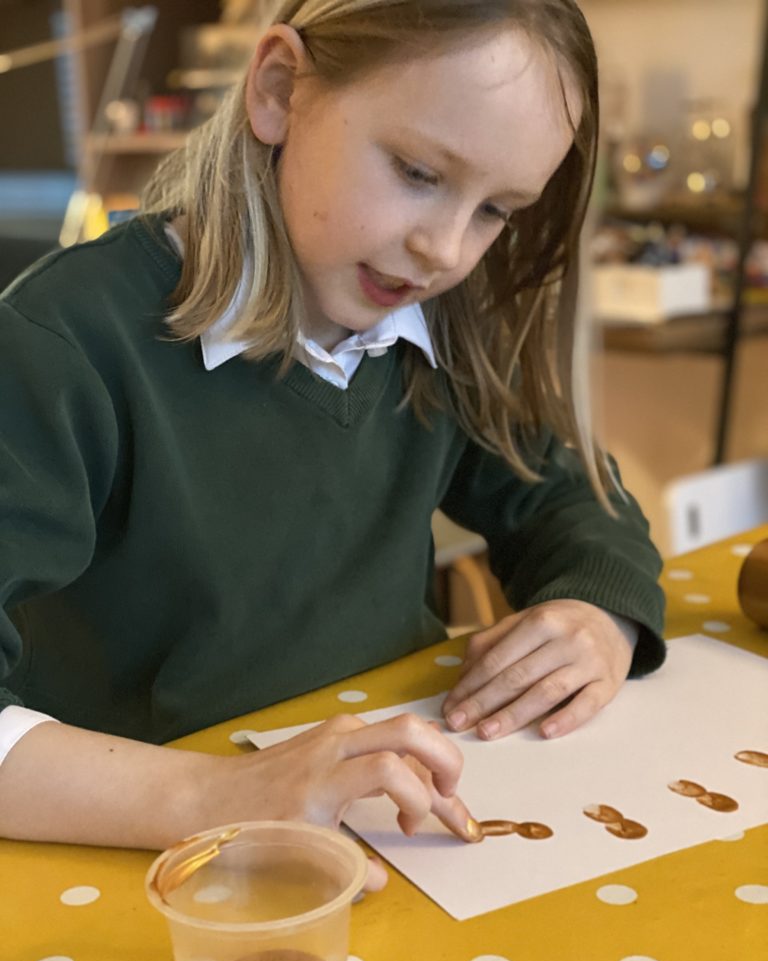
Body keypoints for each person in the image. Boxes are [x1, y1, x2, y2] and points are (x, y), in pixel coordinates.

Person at [0, 0, 664, 882]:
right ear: (279, 89)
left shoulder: (441, 327)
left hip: (398, 831)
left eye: (497, 211)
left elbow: (573, 493)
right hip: (148, 863)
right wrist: (214, 797)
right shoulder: (63, 344)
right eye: (419, 172)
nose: (444, 250)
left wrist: (597, 612)